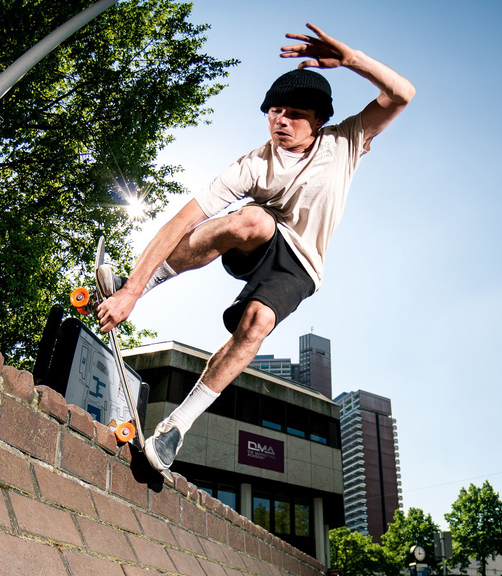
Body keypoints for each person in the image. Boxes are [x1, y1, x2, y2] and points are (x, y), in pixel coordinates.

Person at [95, 23, 415, 477]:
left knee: (258, 322)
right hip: (257, 244)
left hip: (301, 266)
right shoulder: (252, 165)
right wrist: (131, 289)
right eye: (274, 111)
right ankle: (143, 286)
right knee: (253, 218)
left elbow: (402, 94)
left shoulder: (345, 142)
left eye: (293, 114)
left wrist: (350, 59)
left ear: (318, 120)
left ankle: (177, 427)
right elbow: (184, 219)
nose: (280, 121)